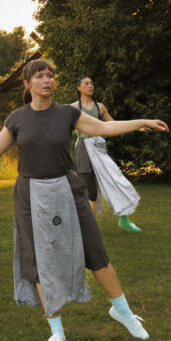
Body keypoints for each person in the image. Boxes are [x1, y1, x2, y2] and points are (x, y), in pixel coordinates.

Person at [0, 60, 168, 341]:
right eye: (39, 77)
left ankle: (123, 312)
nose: (47, 80)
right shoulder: (17, 118)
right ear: (27, 84)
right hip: (29, 196)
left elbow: (104, 127)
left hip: (67, 190)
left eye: (50, 76)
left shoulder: (67, 113)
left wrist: (142, 121)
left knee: (95, 251)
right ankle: (56, 331)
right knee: (39, 260)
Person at [71, 76, 142, 232]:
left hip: (99, 148)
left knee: (116, 180)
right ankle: (90, 227)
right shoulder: (73, 108)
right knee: (90, 189)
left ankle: (124, 219)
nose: (90, 86)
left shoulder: (100, 107)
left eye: (92, 83)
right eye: (86, 84)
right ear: (79, 88)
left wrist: (137, 126)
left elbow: (113, 125)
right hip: (83, 149)